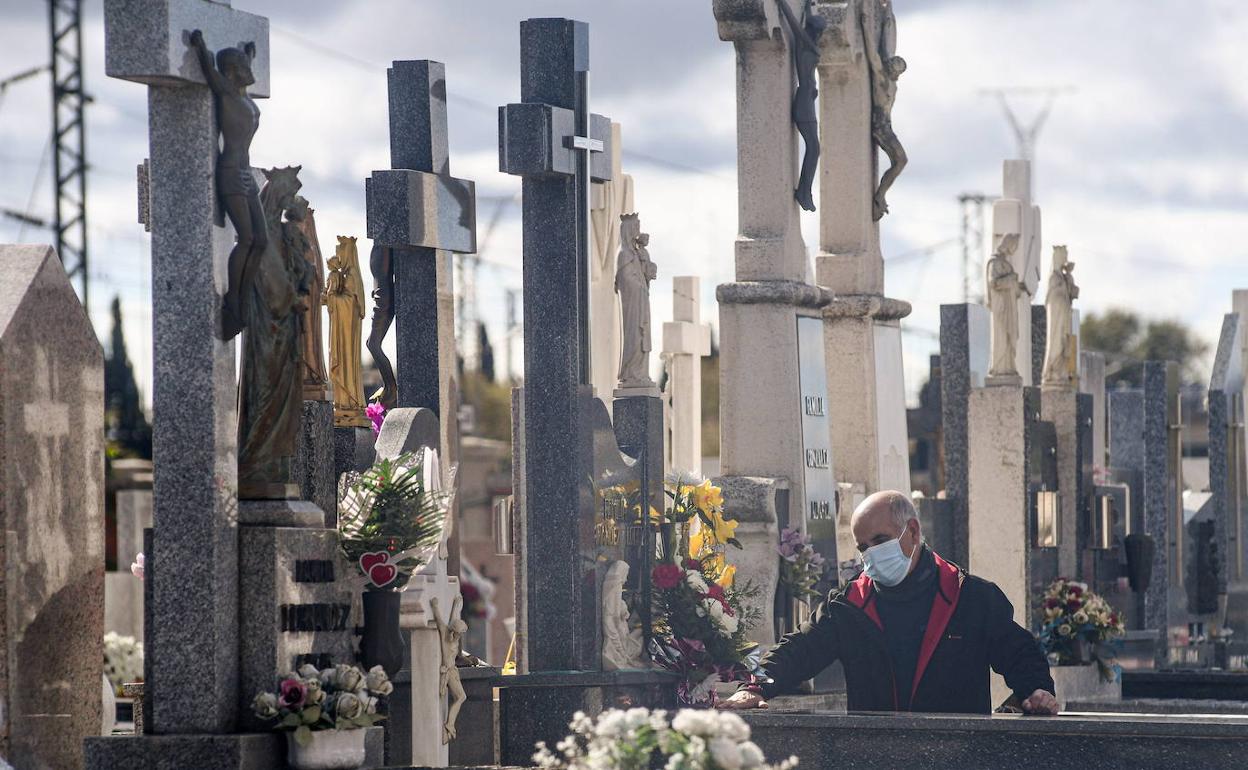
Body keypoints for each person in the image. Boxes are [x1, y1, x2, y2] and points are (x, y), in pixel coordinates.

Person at [720, 491, 1058, 715]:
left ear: (912, 531)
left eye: (879, 540)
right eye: (863, 546)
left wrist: (1038, 691)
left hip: (956, 756)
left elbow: (1020, 653)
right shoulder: (849, 606)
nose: (870, 554)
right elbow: (801, 649)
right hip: (875, 754)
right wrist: (755, 687)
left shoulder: (970, 597)